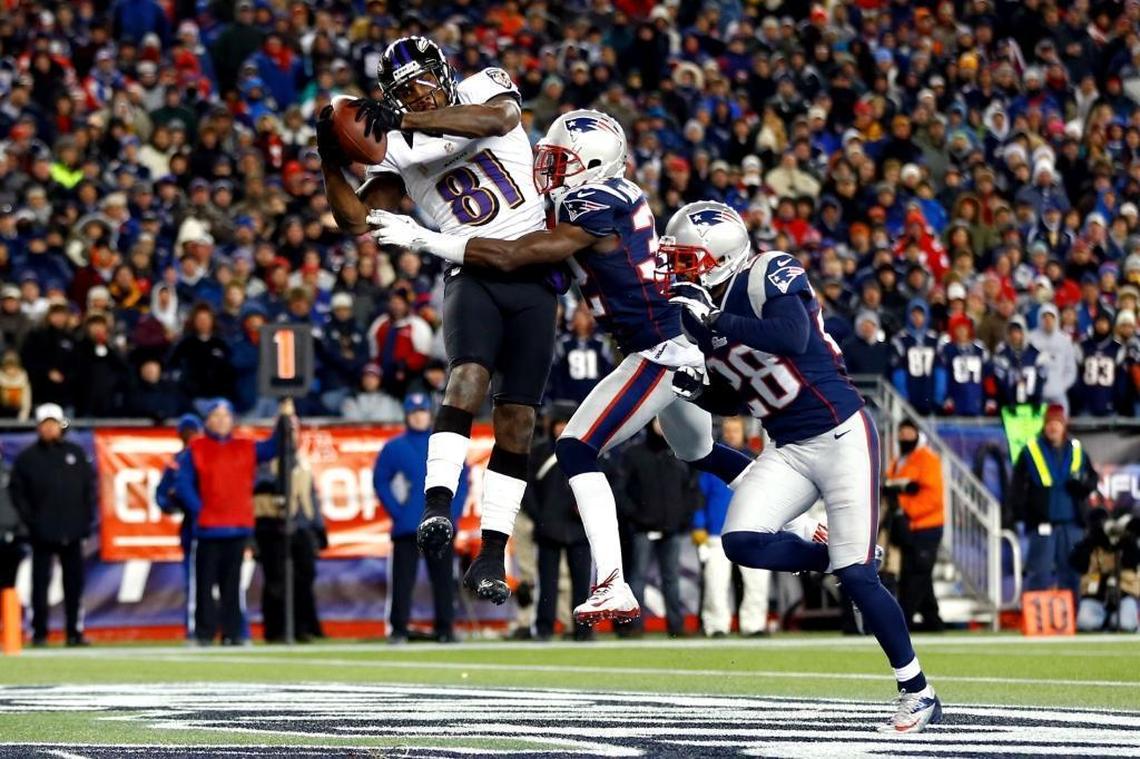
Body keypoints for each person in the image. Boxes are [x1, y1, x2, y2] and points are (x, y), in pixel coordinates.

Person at [373, 113, 813, 622]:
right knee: (701, 451)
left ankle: (612, 583)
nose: (549, 170)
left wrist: (426, 239)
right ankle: (809, 528)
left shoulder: (597, 200)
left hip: (659, 347)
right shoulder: (598, 196)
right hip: (670, 344)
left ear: (594, 165)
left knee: (576, 447)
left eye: (561, 162)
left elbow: (522, 254)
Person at [659, 202, 942, 732]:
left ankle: (918, 692)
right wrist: (700, 391)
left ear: (718, 258)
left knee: (859, 577)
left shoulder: (769, 272)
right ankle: (830, 557)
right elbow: (741, 394)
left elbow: (792, 338)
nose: (678, 271)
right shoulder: (699, 315)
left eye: (687, 260)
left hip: (840, 435)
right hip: (787, 445)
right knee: (739, 541)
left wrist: (717, 320)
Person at [320, 37, 556, 611]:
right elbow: (354, 219)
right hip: (469, 268)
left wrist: (409, 115)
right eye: (403, 92)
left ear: (442, 71)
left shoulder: (483, 87)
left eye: (422, 81)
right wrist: (330, 153)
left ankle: (492, 553)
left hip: (533, 267)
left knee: (519, 420)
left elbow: (499, 118)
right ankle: (436, 507)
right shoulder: (397, 145)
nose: (417, 93)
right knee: (467, 379)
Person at [174, 398, 286, 646]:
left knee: (232, 586)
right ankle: (202, 633)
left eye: (226, 416)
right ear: (208, 421)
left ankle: (234, 632)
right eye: (216, 416)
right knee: (203, 585)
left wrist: (284, 420)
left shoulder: (245, 446)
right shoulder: (197, 449)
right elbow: (182, 484)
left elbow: (273, 447)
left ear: (233, 420)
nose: (221, 421)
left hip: (237, 526)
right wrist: (200, 510)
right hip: (207, 529)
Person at [373, 394, 469, 644]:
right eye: (414, 412)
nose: (418, 416)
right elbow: (380, 481)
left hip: (439, 524)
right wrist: (398, 512)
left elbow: (462, 479)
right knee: (403, 581)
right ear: (407, 415)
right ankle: (398, 628)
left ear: (430, 413)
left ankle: (445, 628)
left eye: (423, 411)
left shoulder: (443, 445)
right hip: (407, 527)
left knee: (444, 580)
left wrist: (451, 513)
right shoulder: (394, 447)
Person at [9, 403, 96, 647]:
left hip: (73, 530)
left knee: (74, 585)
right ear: (38, 427)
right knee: (39, 586)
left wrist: (84, 522)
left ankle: (74, 632)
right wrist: (32, 522)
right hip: (42, 533)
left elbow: (89, 491)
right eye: (44, 424)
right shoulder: (28, 459)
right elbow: (18, 494)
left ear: (60, 425)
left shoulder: (76, 454)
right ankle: (39, 633)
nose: (49, 428)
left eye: (53, 424)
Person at [1008, 404, 1099, 602]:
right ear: (1044, 426)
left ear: (1064, 425)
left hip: (1072, 523)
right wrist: (1023, 512)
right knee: (1039, 573)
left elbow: (1092, 478)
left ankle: (1072, 616)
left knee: (1072, 574)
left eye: (1057, 423)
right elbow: (1016, 486)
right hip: (1043, 523)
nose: (1053, 428)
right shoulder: (1030, 450)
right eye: (1049, 423)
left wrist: (1082, 486)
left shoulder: (1077, 449)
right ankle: (1036, 619)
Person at [622, 420, 703, 638]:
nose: (661, 426)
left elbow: (691, 489)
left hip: (672, 527)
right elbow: (620, 490)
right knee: (636, 578)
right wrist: (637, 516)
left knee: (671, 578)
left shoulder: (679, 453)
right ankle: (634, 626)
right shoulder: (633, 454)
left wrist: (682, 518)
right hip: (642, 528)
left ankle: (675, 626)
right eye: (657, 421)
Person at [693, 417, 773, 637]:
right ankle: (716, 625)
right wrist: (699, 525)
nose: (730, 434)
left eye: (735, 430)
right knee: (716, 584)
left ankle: (754, 624)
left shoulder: (759, 460)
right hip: (717, 531)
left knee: (757, 582)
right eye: (727, 430)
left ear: (744, 432)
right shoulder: (711, 462)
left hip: (752, 530)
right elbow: (700, 495)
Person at [522, 404, 596, 642]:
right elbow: (528, 490)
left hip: (578, 527)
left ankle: (583, 630)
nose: (562, 427)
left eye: (566, 422)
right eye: (558, 423)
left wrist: (585, 508)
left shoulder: (587, 449)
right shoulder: (540, 452)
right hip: (549, 528)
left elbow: (601, 483)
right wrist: (539, 517)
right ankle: (544, 628)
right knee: (547, 584)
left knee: (582, 583)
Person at [253, 453, 326, 643]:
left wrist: (318, 526)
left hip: (301, 526)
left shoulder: (302, 462)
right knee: (276, 579)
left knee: (303, 579)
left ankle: (302, 627)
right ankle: (276, 629)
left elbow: (310, 496)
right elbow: (258, 488)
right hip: (273, 526)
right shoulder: (265, 464)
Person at [884, 420, 946, 632]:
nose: (904, 437)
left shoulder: (927, 460)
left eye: (909, 433)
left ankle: (904, 619)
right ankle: (933, 620)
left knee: (915, 573)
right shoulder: (899, 461)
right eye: (901, 433)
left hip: (925, 525)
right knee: (919, 573)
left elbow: (932, 498)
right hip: (908, 524)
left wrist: (903, 508)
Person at [155, 413, 203, 638]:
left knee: (225, 580)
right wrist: (173, 503)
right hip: (194, 527)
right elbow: (162, 494)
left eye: (194, 433)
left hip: (219, 524)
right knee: (193, 580)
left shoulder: (210, 456)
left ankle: (227, 627)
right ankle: (194, 629)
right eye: (187, 434)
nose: (191, 438)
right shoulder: (178, 462)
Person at [1070, 507, 1139, 632]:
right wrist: (1094, 539)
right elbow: (1076, 562)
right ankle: (1106, 621)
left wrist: (1125, 539)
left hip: (1123, 594)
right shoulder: (1089, 544)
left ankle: (1112, 621)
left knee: (1126, 624)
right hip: (1095, 596)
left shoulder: (1127, 543)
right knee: (1085, 623)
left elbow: (1133, 561)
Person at [1073, 311, 1130, 416]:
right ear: (1094, 323)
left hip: (1109, 402)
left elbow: (1121, 380)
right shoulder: (1082, 346)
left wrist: (1117, 400)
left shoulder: (1117, 348)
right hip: (1086, 403)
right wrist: (1079, 397)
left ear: (1110, 325)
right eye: (1099, 322)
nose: (1101, 325)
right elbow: (1077, 376)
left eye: (1105, 322)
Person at [936, 315, 993, 416]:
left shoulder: (979, 350)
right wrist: (946, 397)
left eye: (964, 328)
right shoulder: (948, 350)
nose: (962, 332)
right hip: (956, 397)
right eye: (958, 329)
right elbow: (945, 377)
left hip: (977, 398)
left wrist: (991, 398)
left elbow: (988, 376)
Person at [890, 299, 940, 415]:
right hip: (909, 395)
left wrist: (938, 395)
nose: (917, 318)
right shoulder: (900, 340)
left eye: (920, 314)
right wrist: (903, 394)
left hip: (929, 395)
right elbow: (898, 369)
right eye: (914, 314)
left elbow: (939, 369)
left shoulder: (934, 340)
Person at [1029, 303, 1077, 412]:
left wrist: (1061, 387)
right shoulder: (1031, 339)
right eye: (1044, 317)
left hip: (1058, 395)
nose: (1048, 320)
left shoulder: (1064, 340)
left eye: (1051, 317)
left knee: (1060, 425)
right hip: (1037, 395)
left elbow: (1071, 369)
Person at [992, 316, 1048, 409]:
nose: (1015, 336)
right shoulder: (1002, 354)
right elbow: (1001, 382)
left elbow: (1041, 380)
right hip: (1009, 406)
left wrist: (1036, 402)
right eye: (1012, 332)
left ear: (1024, 333)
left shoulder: (1036, 354)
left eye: (1018, 332)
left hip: (1032, 404)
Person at [0, 455, 25, 592]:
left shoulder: (11, 473)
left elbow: (22, 503)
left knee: (8, 586)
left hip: (9, 539)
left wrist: (21, 531)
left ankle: (7, 613)